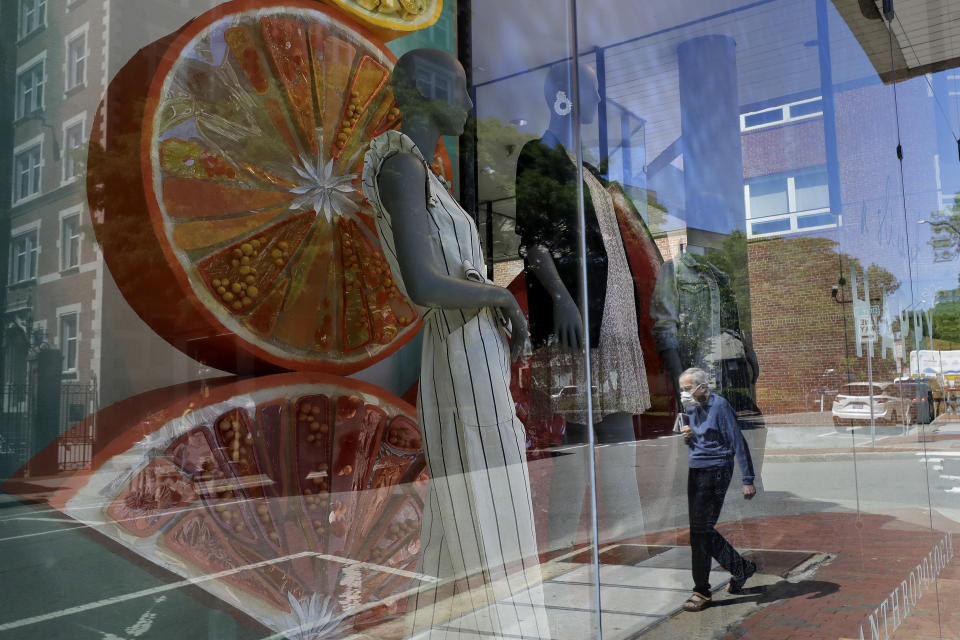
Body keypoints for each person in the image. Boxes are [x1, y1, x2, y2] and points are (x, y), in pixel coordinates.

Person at [362, 48, 549, 638]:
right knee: (486, 506)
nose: (470, 103)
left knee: (469, 511)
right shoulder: (400, 166)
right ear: (430, 89)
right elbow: (422, 283)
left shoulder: (423, 170)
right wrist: (498, 299)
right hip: (458, 354)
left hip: (473, 355)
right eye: (462, 89)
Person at [515, 61, 650, 550]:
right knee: (578, 434)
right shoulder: (540, 155)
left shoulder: (589, 169)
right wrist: (562, 300)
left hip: (612, 314)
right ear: (563, 96)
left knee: (617, 434)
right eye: (588, 93)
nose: (595, 103)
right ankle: (556, 549)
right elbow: (532, 238)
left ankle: (633, 546)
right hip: (579, 316)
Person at [677, 367, 757, 612]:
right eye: (681, 390)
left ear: (702, 387)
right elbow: (689, 433)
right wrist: (686, 435)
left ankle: (701, 590)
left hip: (717, 469)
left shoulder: (720, 406)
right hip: (696, 469)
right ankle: (740, 568)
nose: (684, 394)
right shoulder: (690, 407)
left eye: (687, 389)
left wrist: (748, 478)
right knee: (698, 532)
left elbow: (738, 442)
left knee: (701, 530)